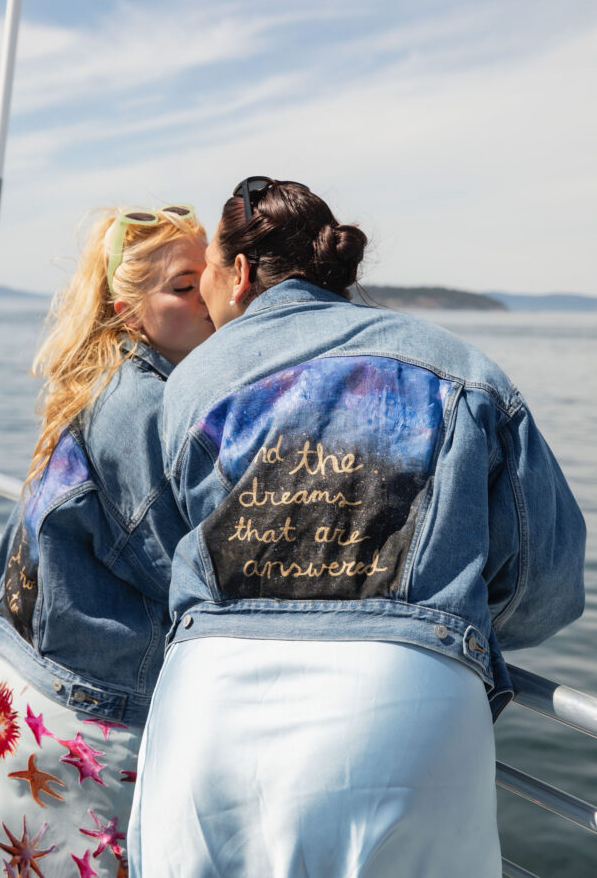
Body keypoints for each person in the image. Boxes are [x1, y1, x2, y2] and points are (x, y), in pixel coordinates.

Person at [129, 178, 586, 878]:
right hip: (406, 702)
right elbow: (546, 581)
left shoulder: (198, 379)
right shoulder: (463, 368)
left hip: (213, 703)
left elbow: (170, 553)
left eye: (208, 276)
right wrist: (443, 624)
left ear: (241, 273)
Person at [0, 205, 214, 878]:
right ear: (126, 305)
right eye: (182, 285)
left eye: (211, 278)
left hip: (31, 694)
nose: (208, 298)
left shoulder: (98, 380)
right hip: (85, 721)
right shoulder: (140, 405)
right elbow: (184, 574)